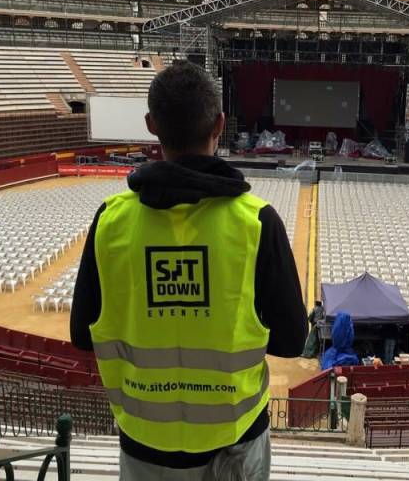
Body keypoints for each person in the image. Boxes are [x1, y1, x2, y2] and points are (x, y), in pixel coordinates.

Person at [70, 61, 307, 481]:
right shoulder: (257, 223)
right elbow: (291, 342)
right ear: (219, 124)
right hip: (234, 444)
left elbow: (81, 334)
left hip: (145, 446)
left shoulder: (109, 221)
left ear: (151, 125)